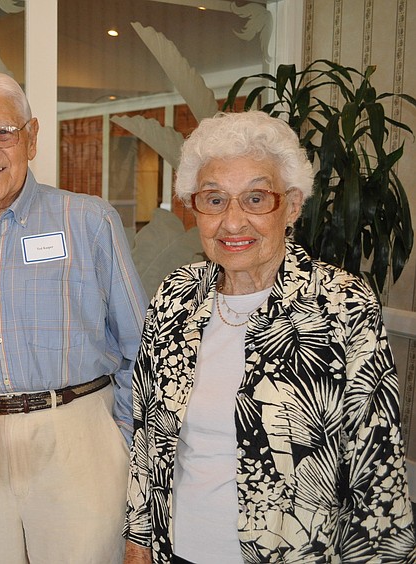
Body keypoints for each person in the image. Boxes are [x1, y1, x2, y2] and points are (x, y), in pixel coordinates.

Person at [124, 111, 416, 563]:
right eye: (214, 199)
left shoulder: (341, 306)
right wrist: (139, 540)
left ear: (293, 205)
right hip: (176, 550)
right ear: (193, 207)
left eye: (256, 198)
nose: (233, 222)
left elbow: (375, 467)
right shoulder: (176, 296)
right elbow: (147, 435)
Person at [0, 73, 148, 563]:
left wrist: (118, 440)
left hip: (77, 437)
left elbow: (140, 347)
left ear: (32, 136)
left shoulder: (88, 220)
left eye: (4, 132)